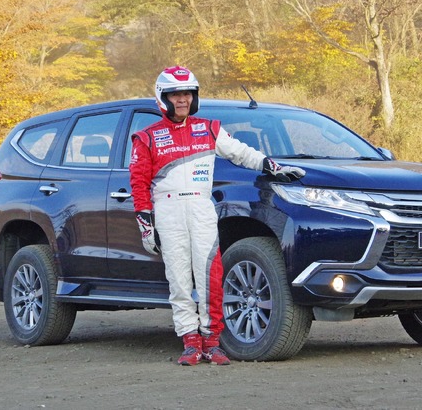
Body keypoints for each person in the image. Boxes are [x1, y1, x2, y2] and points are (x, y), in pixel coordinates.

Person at [129, 66, 305, 366]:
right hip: (168, 211)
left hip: (201, 207)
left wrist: (272, 166)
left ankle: (212, 342)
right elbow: (139, 183)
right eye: (176, 94)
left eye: (187, 94)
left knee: (210, 275)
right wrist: (146, 225)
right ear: (163, 97)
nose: (182, 100)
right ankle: (190, 342)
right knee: (180, 280)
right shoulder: (146, 137)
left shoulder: (209, 128)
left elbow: (240, 152)